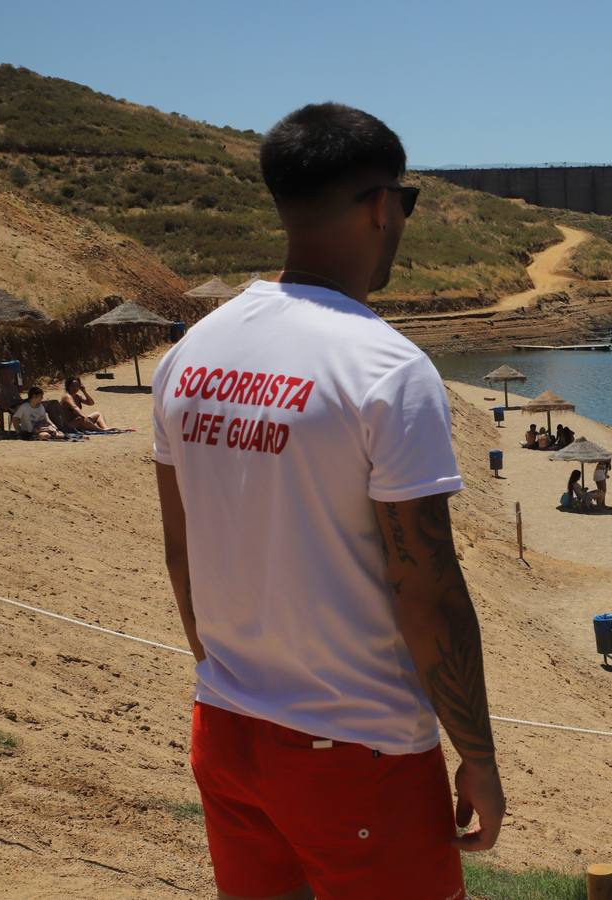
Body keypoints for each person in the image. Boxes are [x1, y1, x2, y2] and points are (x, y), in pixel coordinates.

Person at [152, 103, 503, 900]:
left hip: (227, 731)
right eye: (405, 205)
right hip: (360, 752)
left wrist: (232, 680)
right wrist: (476, 757)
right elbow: (427, 588)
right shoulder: (386, 367)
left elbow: (182, 555)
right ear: (381, 205)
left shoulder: (190, 354)